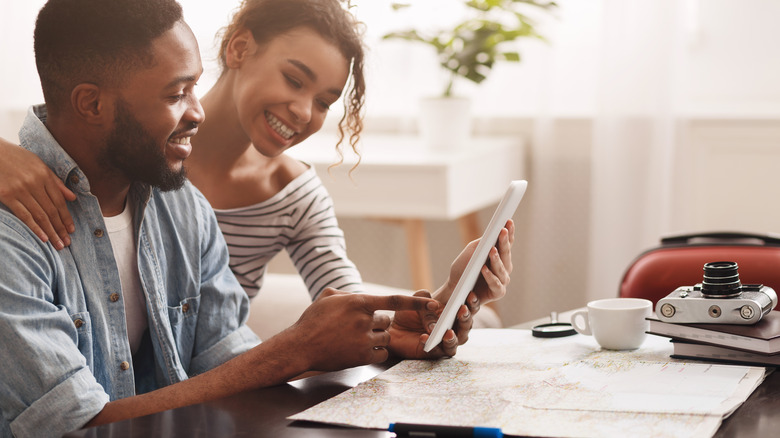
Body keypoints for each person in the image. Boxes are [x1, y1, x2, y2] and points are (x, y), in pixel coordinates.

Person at [0, 0, 499, 436]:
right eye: (176, 94)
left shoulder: (182, 204)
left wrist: (411, 324)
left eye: (195, 86)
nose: (195, 112)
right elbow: (74, 429)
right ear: (91, 103)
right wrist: (295, 350)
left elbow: (232, 361)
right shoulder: (14, 230)